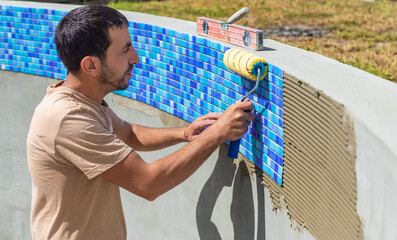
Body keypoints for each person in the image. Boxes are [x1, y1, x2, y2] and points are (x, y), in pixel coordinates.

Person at [27, 5, 255, 240]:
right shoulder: (69, 118)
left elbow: (129, 134)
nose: (136, 58)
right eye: (125, 51)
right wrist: (216, 133)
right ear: (91, 65)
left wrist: (185, 133)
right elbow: (148, 183)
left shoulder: (85, 101)